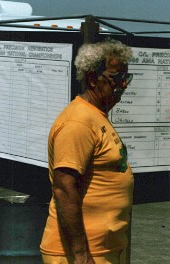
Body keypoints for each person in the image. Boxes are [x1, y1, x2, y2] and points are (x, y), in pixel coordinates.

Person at [40, 39, 134, 264]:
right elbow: (64, 188)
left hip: (104, 249)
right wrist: (81, 255)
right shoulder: (78, 122)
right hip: (79, 255)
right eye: (118, 78)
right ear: (93, 79)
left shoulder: (96, 115)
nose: (124, 85)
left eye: (127, 78)